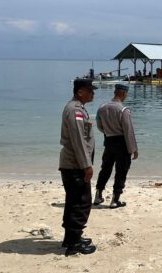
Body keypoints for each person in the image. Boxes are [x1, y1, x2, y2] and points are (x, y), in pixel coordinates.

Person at [58, 78, 98, 256]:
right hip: (75, 164)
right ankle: (74, 244)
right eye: (90, 90)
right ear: (80, 92)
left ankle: (71, 238)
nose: (93, 94)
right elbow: (78, 140)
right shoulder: (75, 110)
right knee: (81, 203)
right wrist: (86, 165)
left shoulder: (78, 108)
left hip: (73, 163)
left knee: (73, 201)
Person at [94, 84, 139, 209]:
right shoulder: (124, 110)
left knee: (105, 169)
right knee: (121, 171)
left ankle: (98, 195)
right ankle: (115, 199)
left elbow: (99, 125)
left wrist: (108, 132)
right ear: (123, 94)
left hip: (108, 141)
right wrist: (134, 149)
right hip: (122, 143)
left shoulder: (101, 108)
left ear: (115, 92)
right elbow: (128, 131)